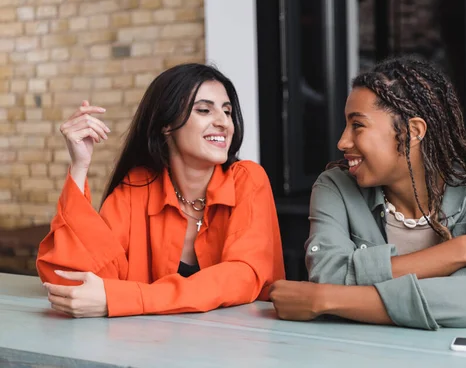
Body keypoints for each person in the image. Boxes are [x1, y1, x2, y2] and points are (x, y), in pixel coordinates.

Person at [269, 56, 466, 329]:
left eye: (357, 125)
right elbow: (327, 273)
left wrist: (326, 299)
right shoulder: (335, 186)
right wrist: (459, 251)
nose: (343, 141)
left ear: (412, 131)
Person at [37, 64, 285, 318]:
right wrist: (80, 166)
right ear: (166, 124)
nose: (223, 123)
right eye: (203, 110)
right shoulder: (137, 187)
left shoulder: (247, 180)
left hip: (239, 349)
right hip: (152, 348)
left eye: (227, 111)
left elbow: (242, 277)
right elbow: (71, 285)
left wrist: (127, 298)